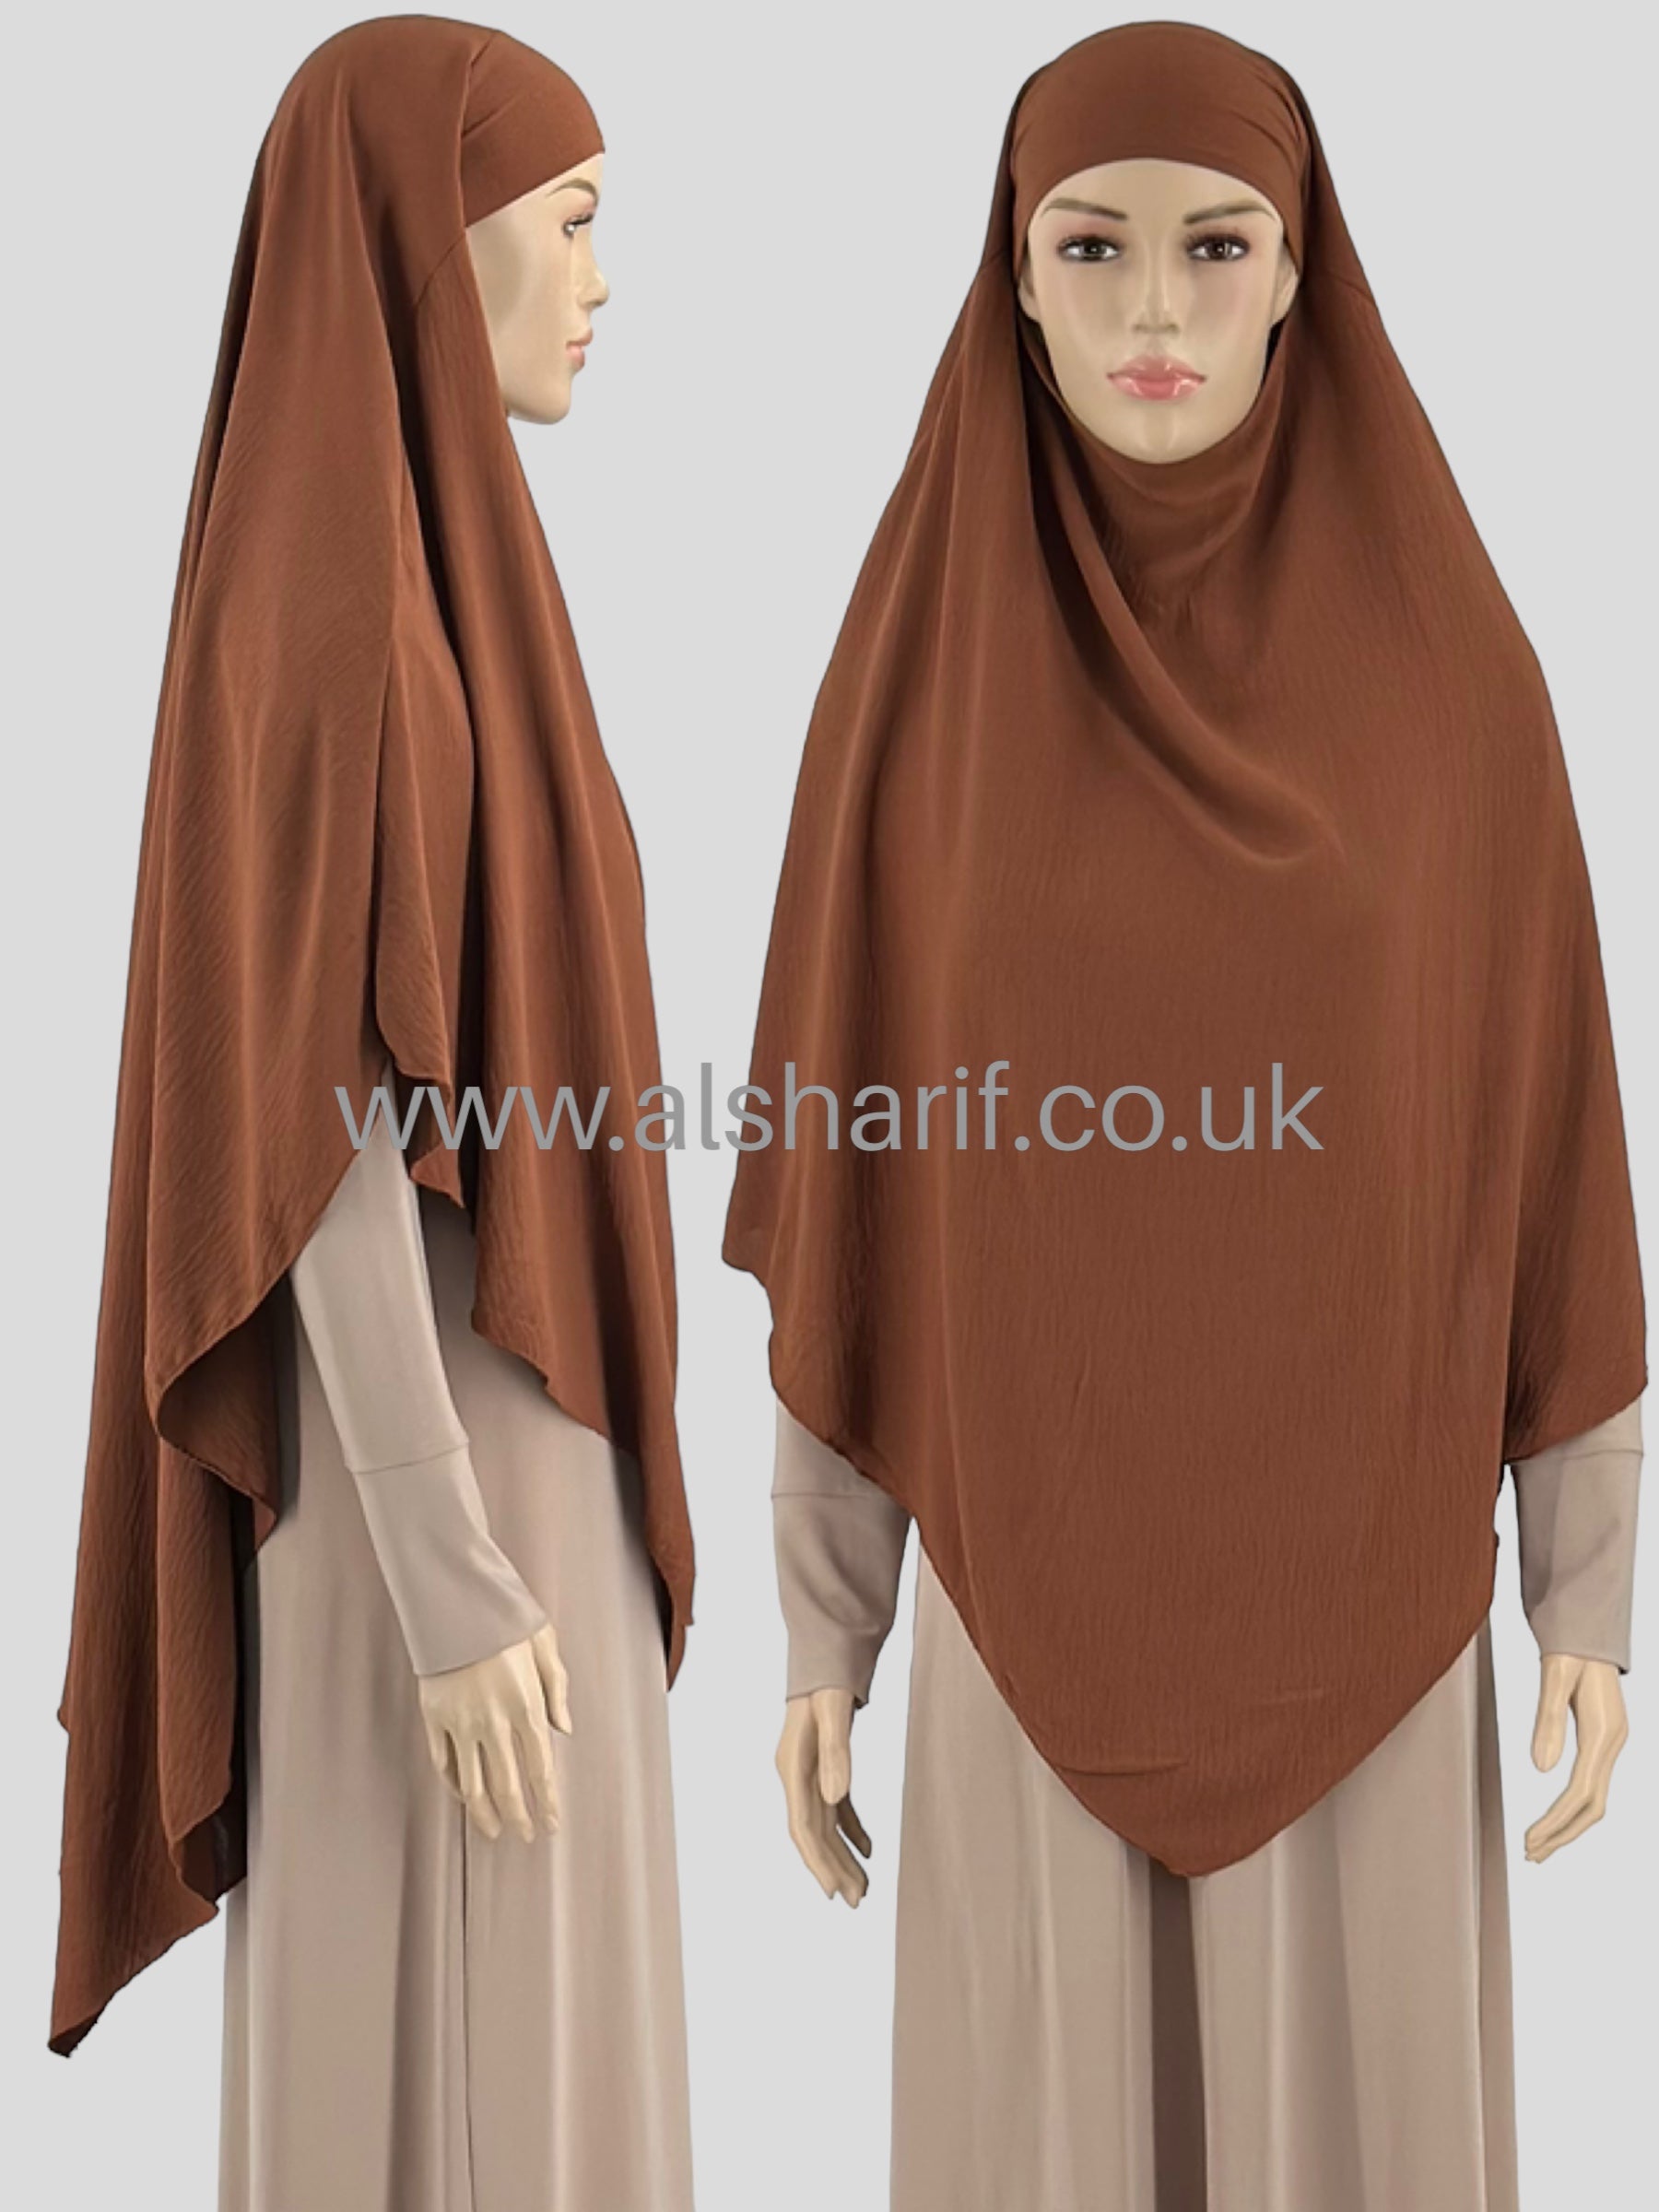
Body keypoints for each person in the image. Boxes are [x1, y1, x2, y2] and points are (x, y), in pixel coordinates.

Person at [724, 22, 1645, 2209]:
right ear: (1015, 274)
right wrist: (827, 1623)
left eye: (1218, 247)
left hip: (1370, 1601)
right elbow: (864, 1170)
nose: (1156, 308)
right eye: (1094, 247)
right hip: (1022, 1591)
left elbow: (1545, 1139)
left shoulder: (1456, 688)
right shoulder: (915, 692)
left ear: (1302, 264)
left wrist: (1588, 1589)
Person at [51, 20, 695, 2210]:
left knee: (525, 2064)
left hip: (497, 1445)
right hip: (439, 1465)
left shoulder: (430, 575)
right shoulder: (343, 611)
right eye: (570, 223)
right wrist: (446, 1570)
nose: (601, 282)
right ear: (433, 235)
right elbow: (310, 1123)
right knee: (469, 2077)